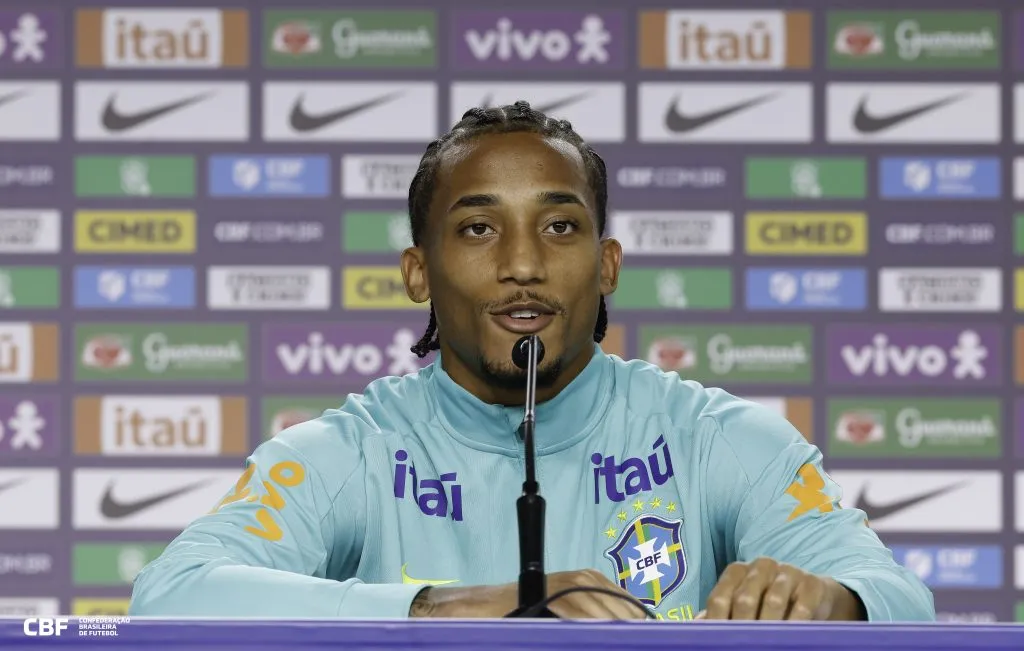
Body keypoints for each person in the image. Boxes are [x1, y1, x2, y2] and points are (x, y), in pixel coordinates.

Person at [129, 101, 935, 622]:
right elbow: (168, 597)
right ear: (419, 272)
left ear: (607, 264)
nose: (522, 264)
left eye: (560, 227)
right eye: (479, 229)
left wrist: (833, 598)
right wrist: (448, 607)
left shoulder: (722, 440)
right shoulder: (348, 453)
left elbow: (901, 597)